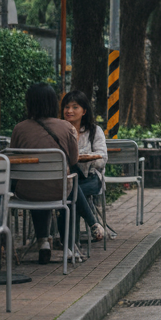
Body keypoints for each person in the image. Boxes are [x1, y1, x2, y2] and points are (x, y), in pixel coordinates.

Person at [9, 83, 79, 265]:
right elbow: (74, 159)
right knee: (51, 184)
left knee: (36, 184)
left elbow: (13, 158)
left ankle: (43, 242)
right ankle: (69, 245)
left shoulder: (19, 128)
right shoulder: (66, 127)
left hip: (26, 191)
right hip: (59, 190)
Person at [60, 90, 107, 245]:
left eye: (75, 107)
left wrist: (86, 157)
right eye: (66, 107)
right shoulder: (59, 131)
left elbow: (102, 159)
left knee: (70, 194)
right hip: (65, 179)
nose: (69, 111)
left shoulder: (94, 131)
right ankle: (92, 224)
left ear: (84, 111)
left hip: (90, 178)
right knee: (71, 193)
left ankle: (68, 242)